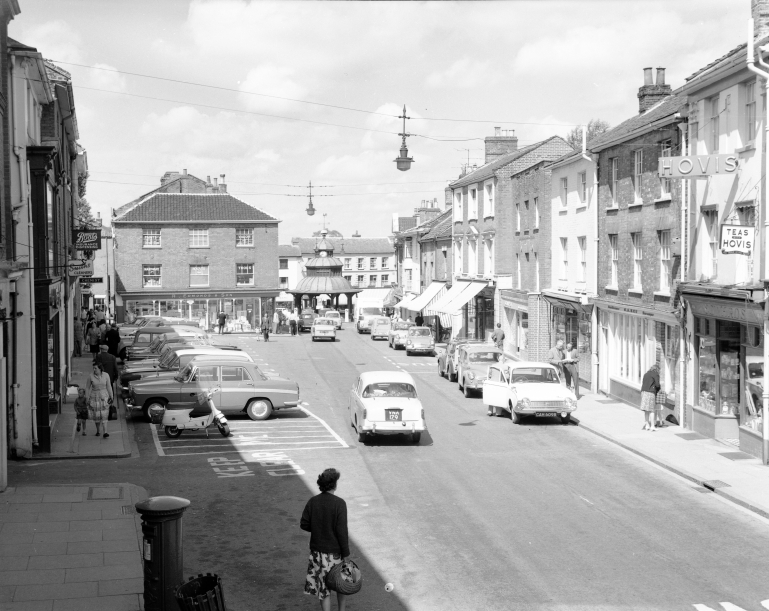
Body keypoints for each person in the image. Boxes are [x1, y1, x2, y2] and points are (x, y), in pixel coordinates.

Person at [300, 468, 350, 611]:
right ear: (334, 484)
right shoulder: (339, 503)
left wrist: (318, 527)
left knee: (323, 589)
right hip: (336, 554)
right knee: (341, 584)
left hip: (317, 553)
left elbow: (304, 524)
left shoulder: (313, 501)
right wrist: (346, 554)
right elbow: (342, 532)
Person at [85, 362, 113, 438]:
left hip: (104, 397)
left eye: (95, 368)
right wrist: (87, 397)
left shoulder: (106, 375)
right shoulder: (90, 376)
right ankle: (98, 431)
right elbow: (87, 388)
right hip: (94, 397)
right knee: (96, 415)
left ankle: (105, 432)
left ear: (100, 369)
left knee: (104, 414)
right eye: (93, 368)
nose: (94, 370)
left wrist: (111, 396)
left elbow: (109, 386)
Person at [641, 363, 661, 431]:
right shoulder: (655, 374)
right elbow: (657, 385)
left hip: (644, 392)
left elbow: (643, 383)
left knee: (646, 410)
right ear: (657, 369)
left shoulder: (646, 374)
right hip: (650, 393)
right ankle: (652, 426)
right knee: (652, 410)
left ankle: (647, 425)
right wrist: (657, 390)